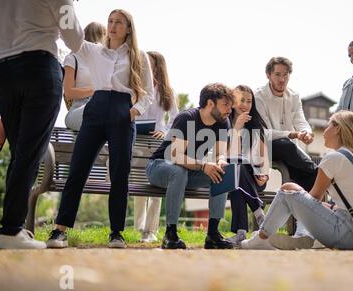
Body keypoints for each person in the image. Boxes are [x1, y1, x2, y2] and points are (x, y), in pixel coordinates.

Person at [46, 9, 154, 249]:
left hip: (122, 112)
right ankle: (60, 230)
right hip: (95, 109)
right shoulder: (93, 51)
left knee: (119, 173)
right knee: (78, 169)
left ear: (128, 28)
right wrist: (64, 9)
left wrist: (133, 111)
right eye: (110, 21)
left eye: (119, 22)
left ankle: (116, 233)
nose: (113, 26)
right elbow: (72, 38)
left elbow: (148, 92)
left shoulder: (139, 56)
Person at [0, 0, 84, 249]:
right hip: (39, 69)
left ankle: (12, 227)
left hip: (3, 73)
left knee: (20, 153)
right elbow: (74, 39)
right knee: (30, 153)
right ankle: (11, 230)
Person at [241, 111, 353, 251]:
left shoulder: (334, 158)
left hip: (345, 235)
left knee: (288, 189)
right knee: (317, 203)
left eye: (328, 126)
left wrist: (297, 201)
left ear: (337, 128)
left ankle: (261, 239)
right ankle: (304, 236)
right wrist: (329, 207)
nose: (324, 131)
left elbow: (313, 198)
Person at [146, 83, 234, 250]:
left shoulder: (223, 121)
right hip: (159, 167)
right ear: (210, 103)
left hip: (188, 171)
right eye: (225, 105)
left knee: (223, 173)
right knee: (178, 171)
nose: (229, 110)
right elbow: (176, 156)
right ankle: (170, 234)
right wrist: (203, 166)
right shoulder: (186, 118)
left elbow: (219, 154)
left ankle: (213, 235)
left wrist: (221, 162)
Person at [254, 56, 318, 248]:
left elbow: (301, 121)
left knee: (302, 173)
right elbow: (262, 132)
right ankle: (316, 171)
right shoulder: (259, 96)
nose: (282, 79)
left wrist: (306, 133)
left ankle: (303, 229)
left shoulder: (294, 96)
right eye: (278, 74)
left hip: (287, 149)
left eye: (286, 75)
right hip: (263, 146)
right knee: (300, 159)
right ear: (268, 75)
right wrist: (291, 134)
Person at [134, 51, 179, 242]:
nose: (144, 66)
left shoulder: (168, 91)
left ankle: (150, 230)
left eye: (149, 64)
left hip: (159, 141)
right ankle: (140, 227)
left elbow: (176, 117)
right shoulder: (137, 86)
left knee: (156, 185)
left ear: (157, 67)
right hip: (138, 138)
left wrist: (165, 132)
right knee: (138, 180)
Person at [226, 85, 270, 246]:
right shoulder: (226, 123)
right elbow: (229, 155)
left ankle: (241, 233)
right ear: (232, 102)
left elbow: (264, 155)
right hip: (234, 173)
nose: (245, 104)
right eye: (241, 100)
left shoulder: (256, 125)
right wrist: (236, 128)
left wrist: (264, 174)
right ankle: (259, 212)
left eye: (249, 101)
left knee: (237, 176)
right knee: (236, 169)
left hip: (256, 177)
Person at [63, 22, 106, 131]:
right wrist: (96, 90)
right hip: (79, 109)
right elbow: (68, 93)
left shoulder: (106, 59)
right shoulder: (72, 58)